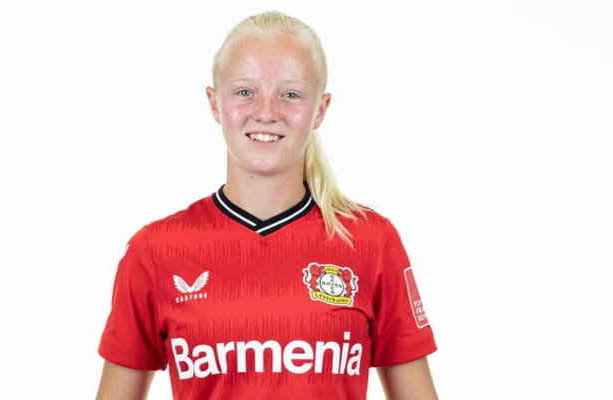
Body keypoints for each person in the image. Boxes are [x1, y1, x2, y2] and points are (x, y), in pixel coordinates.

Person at [96, 10, 438, 400]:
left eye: (290, 95)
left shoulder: (371, 242)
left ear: (320, 109)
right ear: (214, 104)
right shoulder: (155, 251)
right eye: (245, 92)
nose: (266, 112)